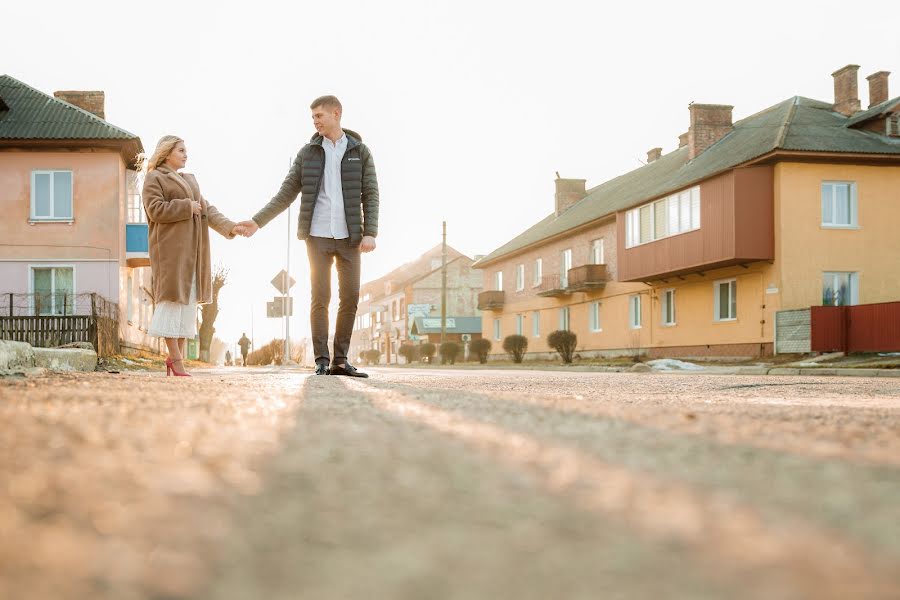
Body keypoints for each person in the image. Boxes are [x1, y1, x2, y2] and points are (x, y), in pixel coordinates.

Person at [235, 95, 378, 377]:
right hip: (317, 235)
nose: (314, 122)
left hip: (351, 236)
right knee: (320, 297)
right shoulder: (308, 153)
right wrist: (257, 222)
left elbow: (370, 194)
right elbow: (286, 192)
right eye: (312, 117)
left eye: (319, 116)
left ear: (336, 113)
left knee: (349, 297)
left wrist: (370, 232)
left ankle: (341, 359)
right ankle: (322, 360)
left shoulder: (360, 151)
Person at [142, 135, 242, 376]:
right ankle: (176, 360)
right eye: (181, 150)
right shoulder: (154, 178)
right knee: (170, 301)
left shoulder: (190, 181)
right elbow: (155, 209)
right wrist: (186, 206)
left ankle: (175, 359)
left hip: (193, 253)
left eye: (186, 150)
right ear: (167, 153)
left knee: (186, 306)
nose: (186, 154)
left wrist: (231, 226)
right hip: (170, 252)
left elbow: (208, 209)